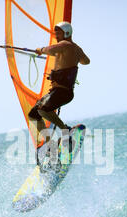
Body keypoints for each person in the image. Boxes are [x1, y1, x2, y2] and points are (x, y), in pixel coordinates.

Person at [28, 21, 90, 153]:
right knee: (33, 114)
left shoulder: (65, 44)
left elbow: (51, 49)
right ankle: (50, 144)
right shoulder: (75, 48)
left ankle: (65, 129)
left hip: (62, 91)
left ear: (67, 33)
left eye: (59, 32)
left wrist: (41, 50)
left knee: (43, 110)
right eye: (55, 32)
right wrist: (72, 57)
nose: (56, 35)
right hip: (59, 92)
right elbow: (86, 61)